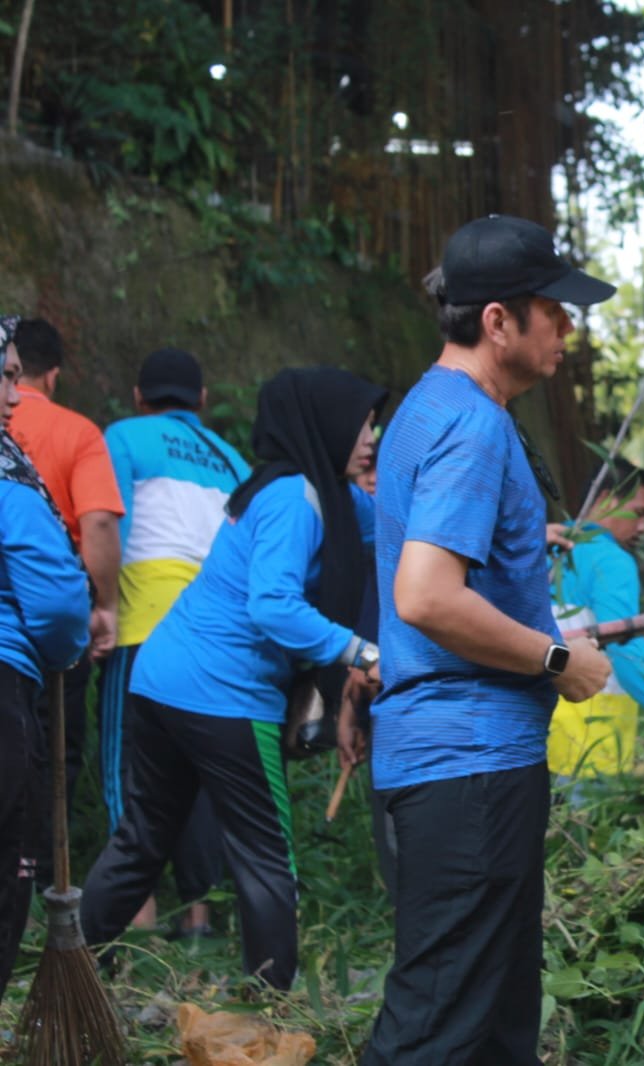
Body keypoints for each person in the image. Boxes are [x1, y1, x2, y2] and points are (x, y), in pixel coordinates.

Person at [361, 214, 612, 1065]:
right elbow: (427, 597)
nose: (568, 330)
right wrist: (557, 658)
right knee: (436, 1028)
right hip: (465, 765)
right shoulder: (471, 423)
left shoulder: (424, 409)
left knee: (498, 1021)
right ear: (498, 321)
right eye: (555, 311)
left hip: (460, 761)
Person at [82, 366, 388, 991]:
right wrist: (360, 651)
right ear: (324, 422)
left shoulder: (314, 493)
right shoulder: (295, 499)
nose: (372, 435)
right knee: (267, 856)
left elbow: (394, 529)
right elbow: (272, 605)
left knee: (143, 838)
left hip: (160, 679)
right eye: (362, 422)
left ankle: (74, 967)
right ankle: (271, 1013)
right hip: (222, 695)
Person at [100, 347, 246, 937]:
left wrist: (101, 603)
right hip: (216, 635)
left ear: (140, 398)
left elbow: (115, 521)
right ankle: (199, 915)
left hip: (144, 624)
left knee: (129, 770)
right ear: (202, 402)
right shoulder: (232, 459)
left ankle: (137, 913)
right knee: (201, 774)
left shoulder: (124, 436)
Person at [0, 315, 90, 990]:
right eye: (4, 376)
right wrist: (66, 649)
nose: (12, 396)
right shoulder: (9, 481)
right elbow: (60, 605)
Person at [8, 317, 124, 820]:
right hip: (42, 623)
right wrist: (104, 608)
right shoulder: (75, 431)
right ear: (53, 375)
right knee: (51, 755)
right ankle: (36, 869)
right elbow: (97, 523)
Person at [548, 456, 644, 780]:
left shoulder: (545, 552)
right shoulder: (611, 560)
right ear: (605, 500)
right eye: (638, 513)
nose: (643, 526)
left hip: (537, 739)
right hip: (590, 746)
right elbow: (624, 647)